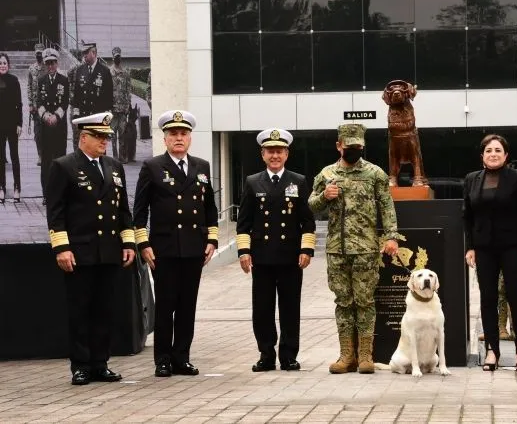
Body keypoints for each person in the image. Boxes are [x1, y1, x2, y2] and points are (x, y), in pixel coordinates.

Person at [45, 112, 135, 385]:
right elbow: (56, 212)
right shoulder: (64, 166)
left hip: (108, 250)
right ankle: (81, 365)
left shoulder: (114, 166)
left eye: (106, 137)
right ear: (83, 137)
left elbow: (123, 210)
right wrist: (62, 248)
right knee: (80, 310)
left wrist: (128, 241)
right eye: (99, 137)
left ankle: (100, 362)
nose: (104, 141)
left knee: (104, 309)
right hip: (80, 251)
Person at [308, 123, 400, 374]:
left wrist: (391, 236)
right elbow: (312, 206)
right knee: (343, 302)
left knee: (365, 301)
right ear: (339, 145)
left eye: (358, 146)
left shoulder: (375, 173)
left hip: (366, 250)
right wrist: (324, 196)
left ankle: (365, 356)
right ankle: (346, 355)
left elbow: (386, 206)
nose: (354, 150)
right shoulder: (326, 174)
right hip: (337, 250)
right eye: (349, 146)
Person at [133, 110, 218, 377]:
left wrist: (212, 239)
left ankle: (182, 357)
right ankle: (163, 359)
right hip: (164, 249)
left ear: (190, 138)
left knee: (187, 305)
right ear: (165, 139)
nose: (178, 138)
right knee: (166, 304)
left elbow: (209, 208)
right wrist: (143, 243)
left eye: (183, 134)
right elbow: (140, 210)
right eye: (173, 134)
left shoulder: (201, 166)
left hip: (194, 248)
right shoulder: (153, 167)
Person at [236, 128, 316, 372]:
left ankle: (289, 355)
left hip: (291, 257)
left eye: (279, 151)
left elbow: (307, 220)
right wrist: (243, 252)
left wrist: (307, 249)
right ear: (263, 154)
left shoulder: (299, 181)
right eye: (270, 151)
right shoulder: (252, 181)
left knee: (290, 308)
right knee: (262, 309)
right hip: (262, 257)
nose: (275, 156)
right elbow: (244, 222)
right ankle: (266, 354)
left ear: (286, 154)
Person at [463, 134, 517, 371]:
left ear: (506, 155)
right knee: (487, 298)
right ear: (482, 155)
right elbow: (468, 217)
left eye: (498, 150)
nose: (493, 154)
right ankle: (492, 350)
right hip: (484, 248)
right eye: (489, 150)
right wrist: (470, 247)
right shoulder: (472, 179)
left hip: (512, 246)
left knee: (515, 296)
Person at [36, 48, 70, 205]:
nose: (50, 66)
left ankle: (61, 193)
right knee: (46, 162)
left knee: (60, 160)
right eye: (48, 63)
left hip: (59, 127)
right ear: (45, 64)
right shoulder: (41, 81)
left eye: (53, 63)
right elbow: (39, 103)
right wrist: (46, 116)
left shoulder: (64, 80)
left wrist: (56, 116)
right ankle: (46, 194)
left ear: (57, 63)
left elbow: (65, 103)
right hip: (45, 128)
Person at [70, 42, 113, 152]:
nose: (84, 55)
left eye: (86, 53)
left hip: (98, 118)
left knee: (99, 150)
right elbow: (77, 95)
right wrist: (75, 115)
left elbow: (109, 97)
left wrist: (107, 120)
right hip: (84, 117)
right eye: (83, 53)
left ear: (94, 53)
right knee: (85, 150)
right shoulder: (80, 70)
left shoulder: (104, 71)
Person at [0, 53, 23, 204]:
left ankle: (17, 188)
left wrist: (19, 124)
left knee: (14, 157)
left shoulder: (14, 81)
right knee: (1, 158)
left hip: (12, 125)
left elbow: (19, 104)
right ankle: (2, 187)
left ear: (9, 65)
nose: (2, 65)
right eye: (0, 63)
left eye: (4, 63)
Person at [109, 47, 132, 162]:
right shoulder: (109, 72)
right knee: (112, 135)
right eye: (115, 57)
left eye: (118, 57)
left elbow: (128, 91)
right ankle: (114, 157)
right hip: (113, 109)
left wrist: (128, 105)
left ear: (120, 57)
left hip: (123, 109)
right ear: (113, 58)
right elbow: (106, 91)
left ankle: (123, 157)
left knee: (122, 134)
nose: (117, 59)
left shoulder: (126, 73)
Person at [28, 43, 45, 166]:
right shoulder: (31, 68)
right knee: (38, 133)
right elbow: (29, 86)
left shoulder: (47, 67)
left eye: (40, 52)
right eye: (37, 52)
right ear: (35, 53)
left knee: (47, 131)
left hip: (46, 105)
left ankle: (47, 154)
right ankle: (40, 155)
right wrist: (30, 103)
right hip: (35, 106)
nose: (39, 54)